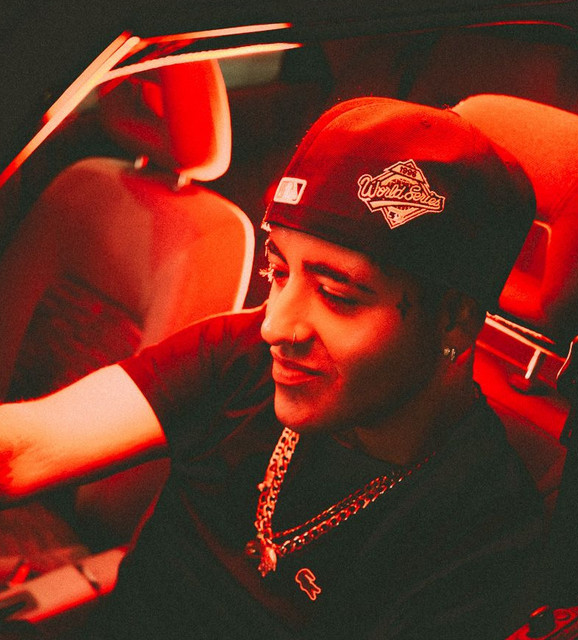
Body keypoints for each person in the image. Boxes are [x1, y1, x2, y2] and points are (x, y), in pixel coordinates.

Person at [0, 97, 542, 639]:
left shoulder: (484, 538)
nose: (275, 326)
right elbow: (25, 448)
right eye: (278, 273)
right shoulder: (241, 356)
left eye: (337, 296)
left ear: (454, 320)